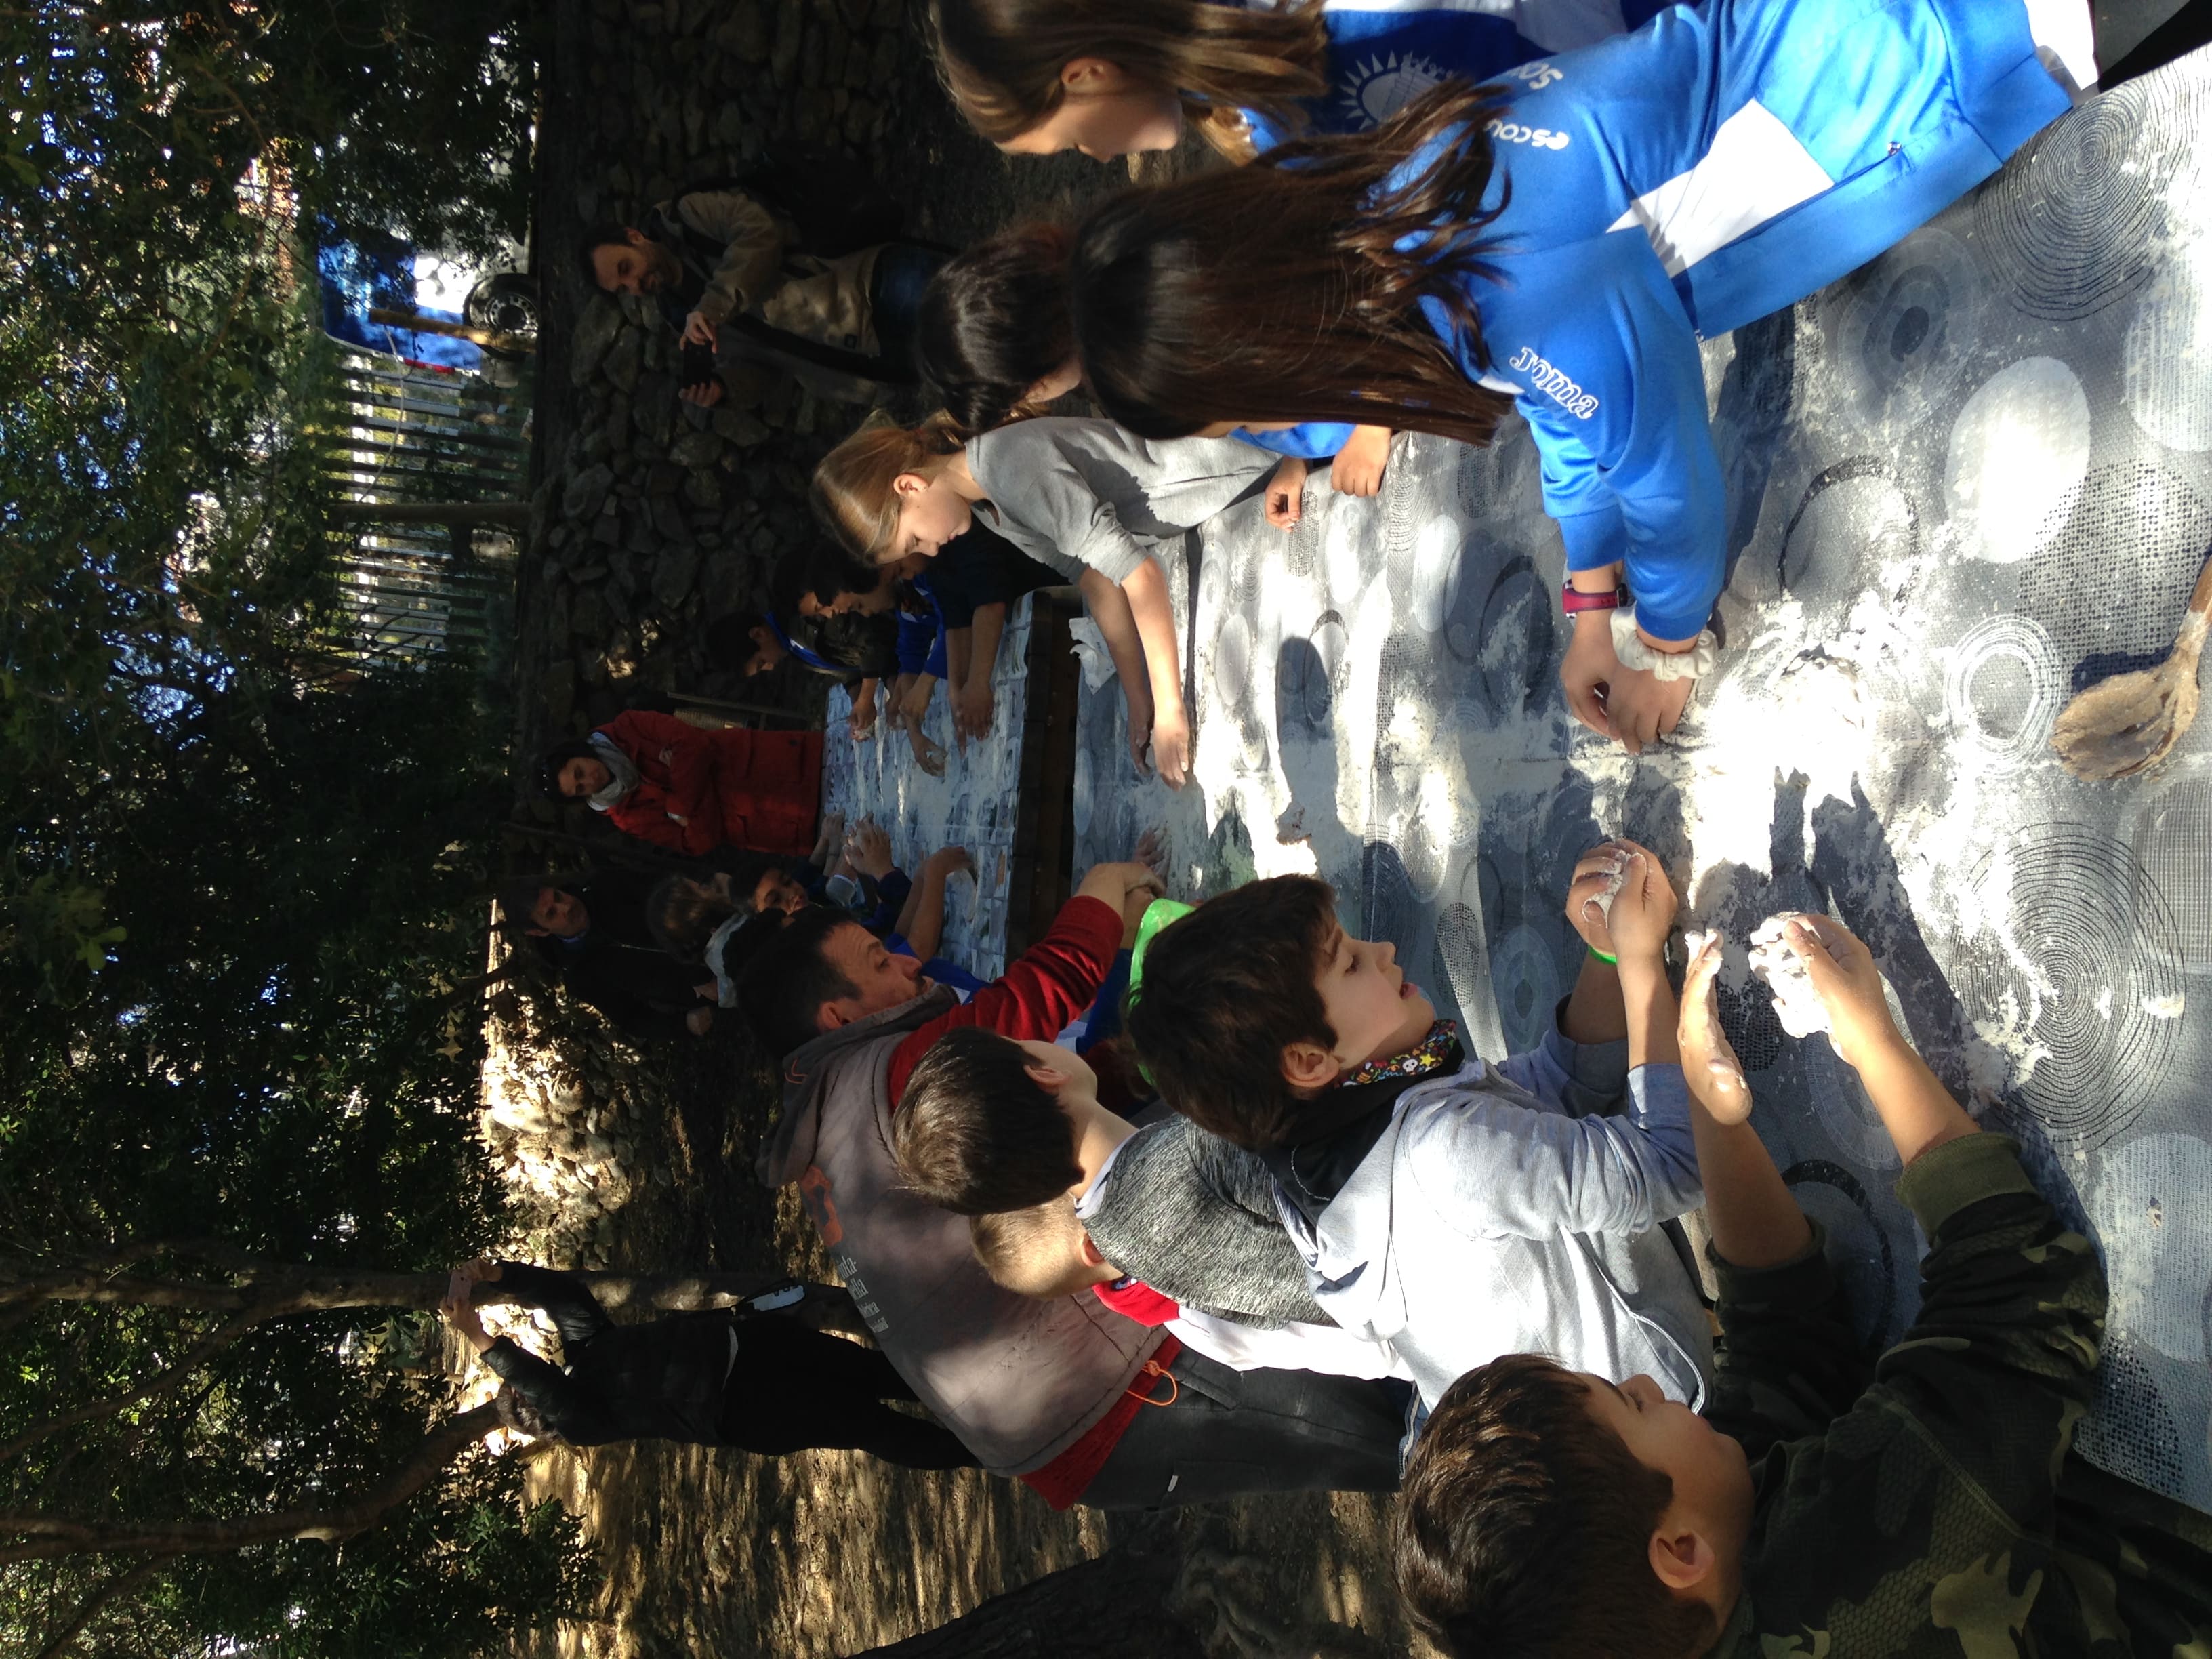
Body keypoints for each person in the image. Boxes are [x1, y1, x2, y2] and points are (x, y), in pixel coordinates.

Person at [1059, 0, 2102, 752]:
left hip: (1975, 52)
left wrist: (1668, 651)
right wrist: (1591, 600)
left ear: (1260, 346)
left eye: (1248, 417)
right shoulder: (1400, 221)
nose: (1279, 434)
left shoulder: (1504, 271)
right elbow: (1564, 411)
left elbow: (1669, 479)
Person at [1392, 914, 2212, 1657]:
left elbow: (1785, 1363)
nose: (1643, 1384)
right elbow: (2024, 1299)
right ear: (1679, 1552)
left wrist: (1711, 1111)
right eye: (1630, 1406)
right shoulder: (1854, 1569)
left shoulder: (1689, 1584)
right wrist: (1871, 1041)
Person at [741, 856, 1410, 1509]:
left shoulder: (832, 1113)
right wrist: (1103, 886)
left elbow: (1030, 1117)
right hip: (1106, 1402)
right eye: (879, 963)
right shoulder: (885, 1082)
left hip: (1075, 1394)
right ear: (837, 1017)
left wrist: (1123, 1071)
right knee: (1402, 1425)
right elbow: (1046, 987)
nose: (907, 961)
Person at [1122, 843, 1710, 1410]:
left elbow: (1553, 1095)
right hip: (1662, 1403)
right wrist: (1640, 962)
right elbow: (1673, 1165)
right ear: (1309, 1061)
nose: (1382, 949)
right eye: (1350, 962)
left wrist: (1606, 957)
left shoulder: (1332, 1156)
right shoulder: (1437, 1157)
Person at [811, 414, 1296, 785]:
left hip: (1243, 473)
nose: (931, 551)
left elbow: (1138, 574)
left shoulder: (1007, 469)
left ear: (910, 486)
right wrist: (1139, 699)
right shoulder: (989, 506)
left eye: (915, 539)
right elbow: (1093, 577)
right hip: (1215, 510)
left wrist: (1170, 709)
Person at [914, 224, 1395, 499]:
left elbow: (1364, 312)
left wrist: (1373, 424)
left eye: (1018, 393)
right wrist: (1295, 457)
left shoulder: (1161, 322)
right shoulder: (1125, 354)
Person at [925, 0, 1658, 163]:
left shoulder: (1350, 25)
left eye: (1070, 144)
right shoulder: (1255, 95)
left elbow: (1598, 62)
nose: (1098, 157)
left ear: (1086, 76)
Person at [438, 1257, 977, 1469]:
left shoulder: (587, 1354)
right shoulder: (581, 1422)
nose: (539, 1370)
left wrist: (498, 1276)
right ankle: (987, 1453)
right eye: (525, 1385)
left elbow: (568, 1298)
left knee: (875, 1372)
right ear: (532, 1407)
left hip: (756, 1346)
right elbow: (549, 1391)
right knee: (871, 1424)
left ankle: (987, 1393)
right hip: (748, 1409)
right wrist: (479, 1338)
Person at [577, 184, 949, 407]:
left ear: (635, 237)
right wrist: (725, 388)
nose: (635, 284)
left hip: (870, 287)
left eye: (625, 268)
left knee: (975, 302)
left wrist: (712, 307)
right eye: (623, 289)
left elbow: (759, 233)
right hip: (866, 364)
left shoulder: (689, 217)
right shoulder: (678, 316)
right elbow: (765, 367)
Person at [537, 708, 823, 859]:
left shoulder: (628, 727)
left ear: (580, 752)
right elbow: (698, 843)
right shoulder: (626, 817)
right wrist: (688, 777)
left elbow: (694, 744)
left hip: (779, 764)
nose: (590, 780)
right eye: (581, 788)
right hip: (778, 823)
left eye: (579, 771)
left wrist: (679, 807)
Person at [499, 869, 720, 1041]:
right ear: (539, 932)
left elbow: (670, 890)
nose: (566, 907)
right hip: (717, 994)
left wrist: (696, 973)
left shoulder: (607, 886)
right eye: (551, 913)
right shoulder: (580, 976)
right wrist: (685, 1025)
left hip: (718, 934)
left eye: (558, 896)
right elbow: (631, 1018)